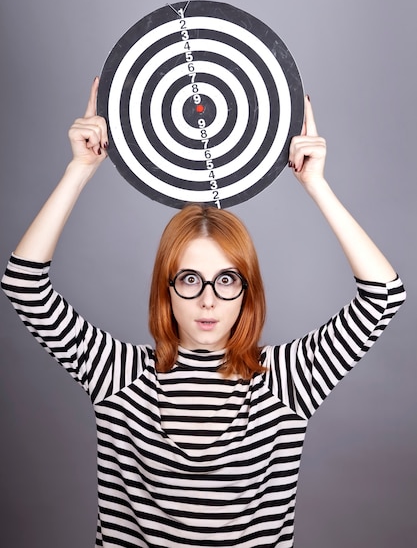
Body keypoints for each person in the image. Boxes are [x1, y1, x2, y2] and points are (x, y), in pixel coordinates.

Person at [1, 77, 406, 548]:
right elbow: (23, 284)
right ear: (166, 289)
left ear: (246, 291)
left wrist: (316, 185)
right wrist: (79, 170)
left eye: (227, 280)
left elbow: (383, 295)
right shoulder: (116, 373)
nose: (208, 300)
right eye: (190, 279)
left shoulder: (286, 379)